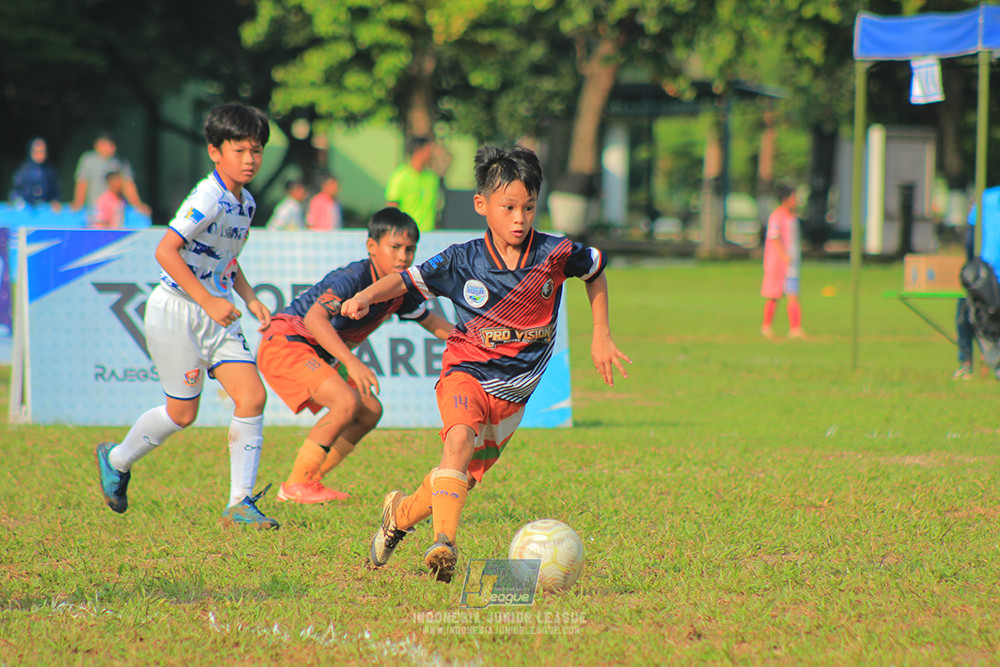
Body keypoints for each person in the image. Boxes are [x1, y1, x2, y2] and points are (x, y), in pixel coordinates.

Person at [342, 144, 631, 582]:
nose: (519, 218)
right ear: (482, 205)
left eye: (529, 207)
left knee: (454, 478)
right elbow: (405, 281)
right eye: (509, 207)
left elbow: (595, 270)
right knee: (457, 440)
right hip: (466, 371)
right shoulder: (462, 260)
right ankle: (445, 544)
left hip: (513, 396)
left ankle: (398, 516)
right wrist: (364, 296)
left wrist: (601, 333)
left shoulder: (553, 253)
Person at [95, 102, 279, 528]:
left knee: (252, 397)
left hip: (218, 316)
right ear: (215, 152)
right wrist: (209, 301)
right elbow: (166, 250)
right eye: (239, 150)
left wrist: (248, 297)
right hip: (177, 310)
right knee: (181, 415)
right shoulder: (207, 196)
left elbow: (224, 259)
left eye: (256, 150)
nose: (250, 159)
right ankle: (117, 458)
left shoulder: (246, 203)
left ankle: (240, 503)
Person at [257, 208, 452, 504]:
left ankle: (310, 479)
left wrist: (475, 345)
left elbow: (434, 323)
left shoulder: (399, 290)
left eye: (410, 249)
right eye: (395, 247)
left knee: (369, 410)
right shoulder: (353, 277)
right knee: (345, 401)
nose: (403, 257)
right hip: (286, 342)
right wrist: (351, 362)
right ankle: (297, 484)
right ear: (372, 247)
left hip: (315, 352)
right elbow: (314, 319)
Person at [955, 186, 1000, 379]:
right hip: (987, 274)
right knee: (968, 312)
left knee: (967, 311)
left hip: (985, 274)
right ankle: (970, 361)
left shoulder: (987, 198)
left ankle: (967, 362)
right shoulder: (987, 198)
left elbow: (970, 239)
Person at [760, 182, 804, 339]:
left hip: (792, 264)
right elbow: (773, 238)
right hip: (778, 264)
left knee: (793, 294)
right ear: (786, 199)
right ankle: (766, 326)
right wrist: (783, 256)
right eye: (794, 196)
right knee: (773, 295)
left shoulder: (793, 216)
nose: (796, 200)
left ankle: (795, 328)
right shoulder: (776, 216)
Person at [71, 131, 151, 216]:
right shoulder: (88, 160)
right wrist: (78, 204)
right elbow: (81, 184)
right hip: (95, 211)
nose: (113, 148)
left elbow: (128, 185)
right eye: (109, 145)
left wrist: (138, 205)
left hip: (116, 211)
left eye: (113, 145)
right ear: (98, 145)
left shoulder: (121, 162)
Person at [385, 136, 440, 233]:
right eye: (428, 151)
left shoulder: (432, 178)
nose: (431, 154)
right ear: (418, 151)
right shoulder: (400, 176)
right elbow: (392, 205)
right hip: (407, 233)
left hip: (429, 234)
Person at [10, 137, 61, 210]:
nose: (39, 154)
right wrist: (18, 202)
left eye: (42, 151)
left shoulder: (50, 171)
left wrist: (55, 201)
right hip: (26, 209)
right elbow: (15, 191)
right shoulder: (23, 170)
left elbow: (55, 192)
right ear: (31, 152)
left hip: (45, 210)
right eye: (36, 151)